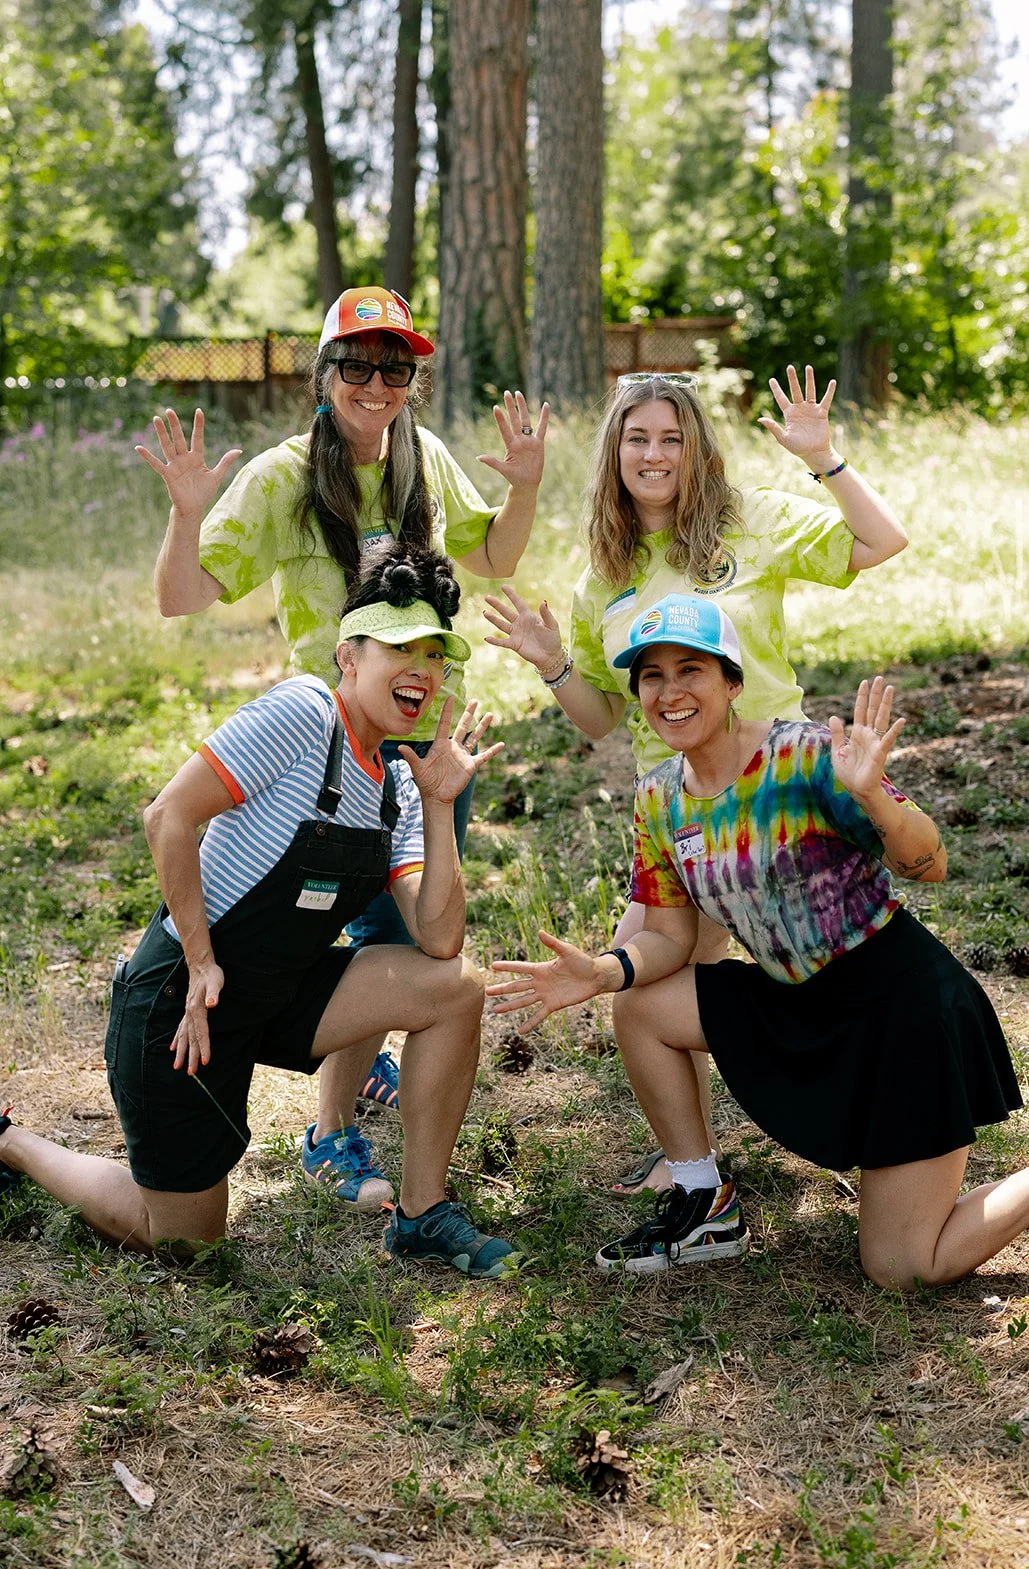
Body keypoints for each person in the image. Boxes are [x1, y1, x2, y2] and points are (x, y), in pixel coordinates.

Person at [0, 552, 517, 1279]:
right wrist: (200, 962)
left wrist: (438, 805)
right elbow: (168, 816)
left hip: (279, 992)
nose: (421, 669)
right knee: (184, 1246)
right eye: (400, 647)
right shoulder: (304, 713)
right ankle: (10, 1143)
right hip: (184, 1003)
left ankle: (421, 1214)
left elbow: (438, 938)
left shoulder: (399, 786)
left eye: (435, 654)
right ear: (348, 655)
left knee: (454, 987)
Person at [137, 285, 549, 1195]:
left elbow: (496, 557)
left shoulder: (424, 460)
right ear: (325, 375)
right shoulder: (282, 476)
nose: (375, 384)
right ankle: (330, 1130)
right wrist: (186, 510)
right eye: (356, 365)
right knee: (354, 929)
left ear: (412, 382)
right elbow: (180, 597)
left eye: (394, 368)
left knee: (411, 930)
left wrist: (522, 487)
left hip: (430, 743)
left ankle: (360, 1071)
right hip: (329, 754)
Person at [488, 594, 1025, 1290]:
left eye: (691, 670)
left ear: (732, 682)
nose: (670, 692)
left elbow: (931, 863)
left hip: (899, 1010)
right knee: (642, 1005)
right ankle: (702, 1201)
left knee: (901, 1268)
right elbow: (671, 937)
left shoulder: (804, 756)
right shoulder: (658, 799)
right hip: (795, 1000)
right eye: (652, 676)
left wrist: (875, 799)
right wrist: (603, 971)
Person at [483, 363, 908, 1193]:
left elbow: (880, 542)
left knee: (824, 972)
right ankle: (695, 1172)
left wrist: (822, 459)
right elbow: (602, 719)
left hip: (780, 793)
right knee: (644, 983)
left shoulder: (747, 521)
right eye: (637, 439)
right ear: (614, 454)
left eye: (671, 438)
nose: (654, 455)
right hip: (680, 817)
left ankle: (875, 1122)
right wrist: (552, 664)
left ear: (696, 449)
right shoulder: (602, 578)